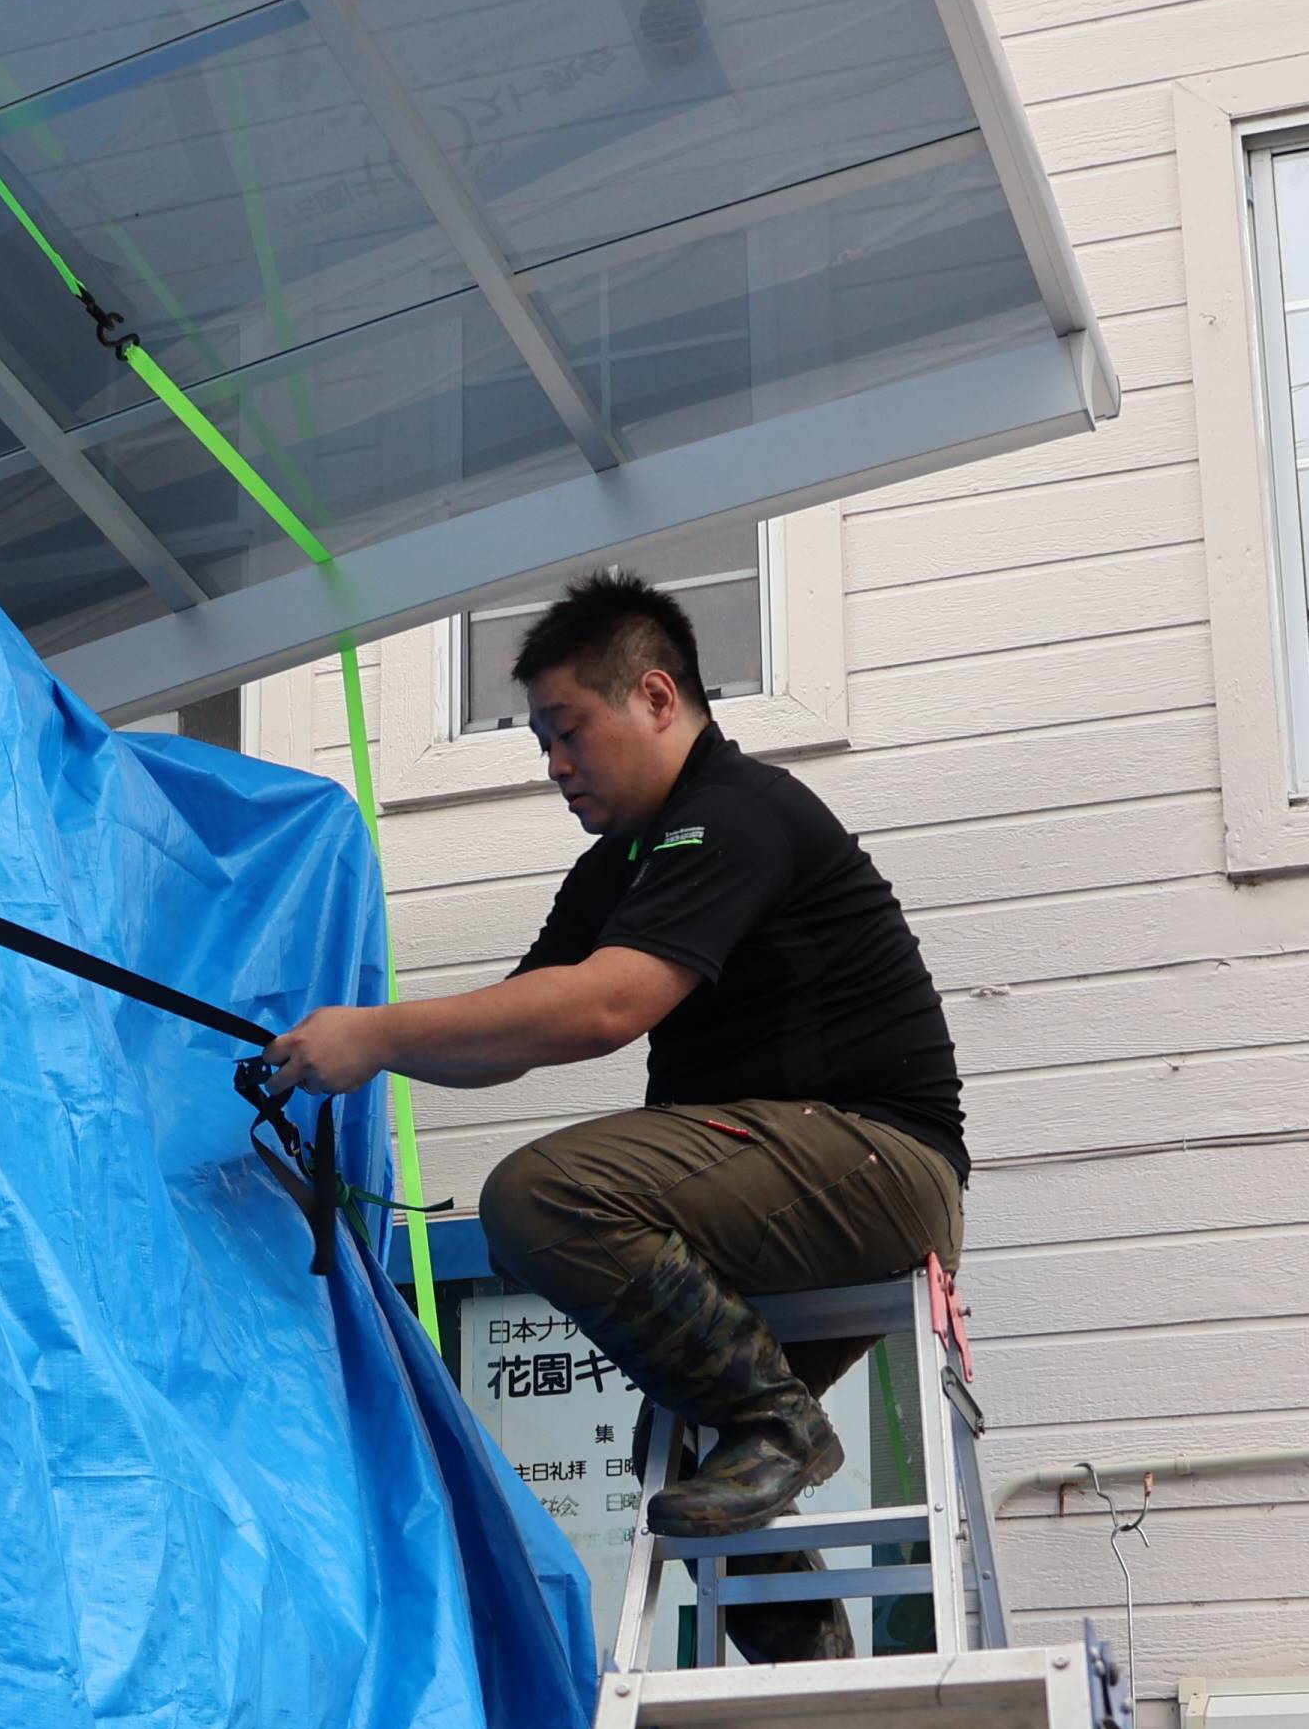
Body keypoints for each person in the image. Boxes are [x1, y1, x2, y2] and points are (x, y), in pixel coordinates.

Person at [261, 571, 967, 1635]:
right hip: (802, 1175)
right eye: (540, 739)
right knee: (686, 1433)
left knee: (541, 1197)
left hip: (878, 1168)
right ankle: (807, 1695)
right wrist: (365, 1053)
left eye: (568, 730)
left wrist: (374, 1031)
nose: (554, 765)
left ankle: (777, 1421)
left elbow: (606, 1008)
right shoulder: (616, 870)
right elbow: (516, 1031)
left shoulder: (736, 815)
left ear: (655, 695)